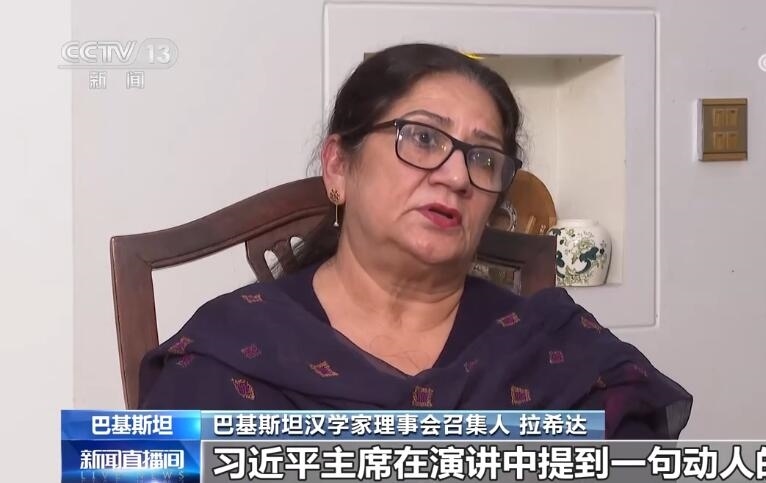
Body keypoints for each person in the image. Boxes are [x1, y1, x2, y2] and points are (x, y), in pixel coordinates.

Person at [139, 43, 692, 439]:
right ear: (338, 167)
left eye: (484, 158)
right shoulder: (229, 351)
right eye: (423, 138)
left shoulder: (555, 350)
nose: (456, 176)